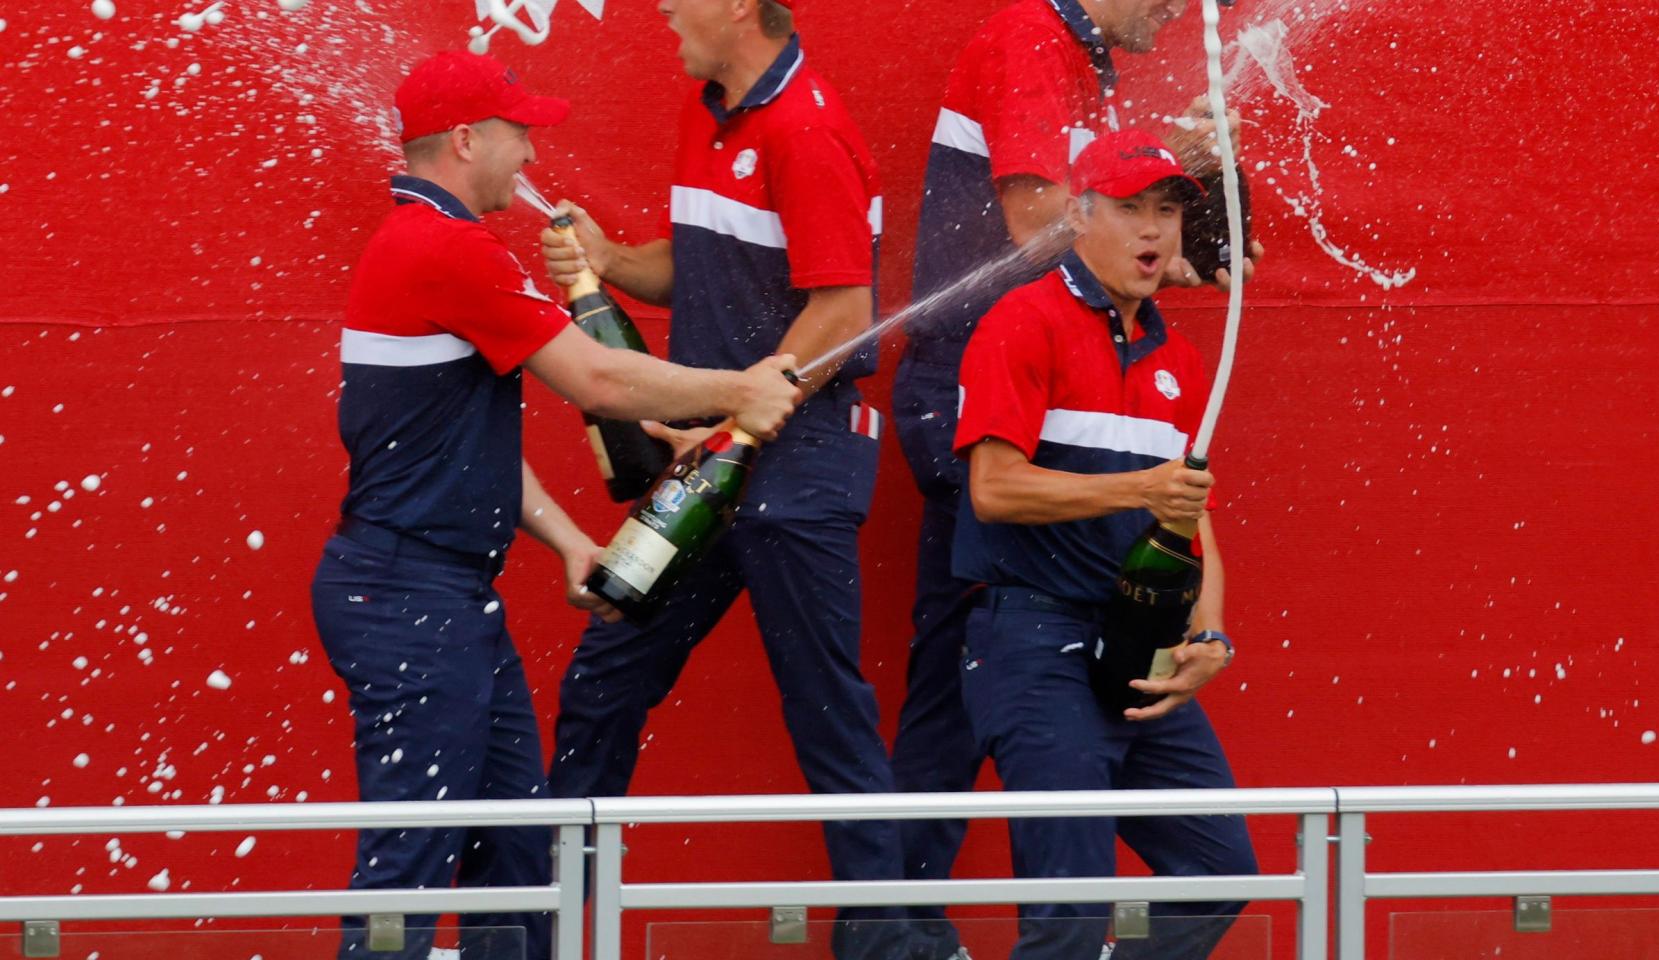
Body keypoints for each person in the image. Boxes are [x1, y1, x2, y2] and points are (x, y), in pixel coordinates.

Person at [310, 49, 800, 960]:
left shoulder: (432, 244)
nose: (531, 153)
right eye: (519, 132)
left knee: (518, 859)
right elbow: (601, 380)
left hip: (439, 596)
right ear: (465, 141)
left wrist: (571, 540)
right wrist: (739, 391)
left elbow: (464, 446)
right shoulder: (447, 248)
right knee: (411, 860)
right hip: (409, 599)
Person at [536, 2, 918, 959]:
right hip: (717, 455)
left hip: (798, 460)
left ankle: (889, 944)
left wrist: (756, 406)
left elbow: (846, 307)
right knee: (605, 676)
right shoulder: (711, 110)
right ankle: (544, 930)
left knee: (827, 718)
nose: (662, 8)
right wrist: (608, 261)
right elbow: (699, 269)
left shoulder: (807, 125)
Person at [891, 2, 1256, 955]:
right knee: (1065, 907)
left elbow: (1191, 513)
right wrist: (1138, 495)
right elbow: (997, 493)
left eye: (1169, 212)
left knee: (1224, 875)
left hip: (1131, 643)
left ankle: (899, 923)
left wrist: (1207, 633)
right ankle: (896, 925)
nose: (1157, 234)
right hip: (1040, 636)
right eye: (1133, 210)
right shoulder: (1022, 317)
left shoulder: (1165, 350)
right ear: (1088, 212)